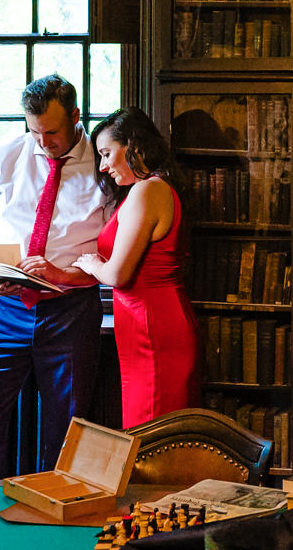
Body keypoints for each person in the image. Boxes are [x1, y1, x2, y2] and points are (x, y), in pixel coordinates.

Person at [0, 74, 108, 477]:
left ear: (76, 116)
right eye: (34, 131)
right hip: (1, 309)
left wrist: (63, 274)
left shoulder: (104, 166)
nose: (43, 142)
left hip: (69, 312)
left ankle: (56, 526)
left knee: (67, 429)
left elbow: (112, 253)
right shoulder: (8, 154)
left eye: (52, 132)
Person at [73, 108, 202, 427]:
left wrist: (91, 263)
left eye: (106, 154)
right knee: (149, 425)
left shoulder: (148, 191)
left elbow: (118, 275)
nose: (103, 167)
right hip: (146, 323)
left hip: (152, 326)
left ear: (133, 147)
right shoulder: (150, 188)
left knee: (152, 427)